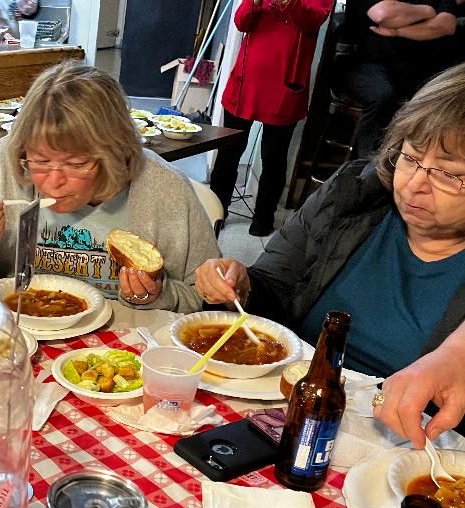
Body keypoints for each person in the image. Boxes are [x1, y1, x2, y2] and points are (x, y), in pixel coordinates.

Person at [196, 62, 465, 446]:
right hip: (288, 407)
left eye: (449, 174)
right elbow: (273, 286)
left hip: (407, 444)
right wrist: (240, 284)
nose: (415, 185)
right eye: (410, 157)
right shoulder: (352, 195)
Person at [0, 62, 220, 313]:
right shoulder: (3, 162)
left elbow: (204, 299)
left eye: (75, 164)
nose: (53, 182)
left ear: (114, 154)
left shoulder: (162, 186)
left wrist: (157, 294)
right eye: (40, 161)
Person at [207, 0, 332, 236]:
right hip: (246, 82)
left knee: (274, 156)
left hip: (285, 84)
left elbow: (313, 19)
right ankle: (216, 210)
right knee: (228, 150)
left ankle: (264, 219)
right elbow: (242, 22)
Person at [339, 0, 459, 158]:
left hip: (416, 69)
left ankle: (412, 165)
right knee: (383, 96)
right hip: (367, 64)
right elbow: (382, 14)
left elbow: (446, 25)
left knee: (442, 98)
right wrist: (427, 10)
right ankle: (365, 168)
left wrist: (398, 31)